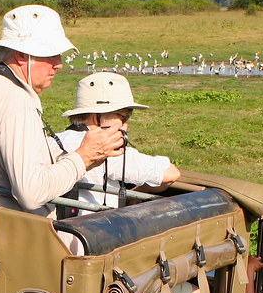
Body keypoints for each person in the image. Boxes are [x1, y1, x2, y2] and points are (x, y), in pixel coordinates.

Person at [0, 5, 124, 239]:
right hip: (6, 242)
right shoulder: (15, 100)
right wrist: (83, 158)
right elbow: (32, 193)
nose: (59, 63)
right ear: (21, 56)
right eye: (50, 55)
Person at [54, 73, 180, 209]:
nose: (125, 125)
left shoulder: (52, 141)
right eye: (123, 117)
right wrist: (138, 192)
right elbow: (170, 174)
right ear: (98, 117)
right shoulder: (108, 151)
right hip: (98, 226)